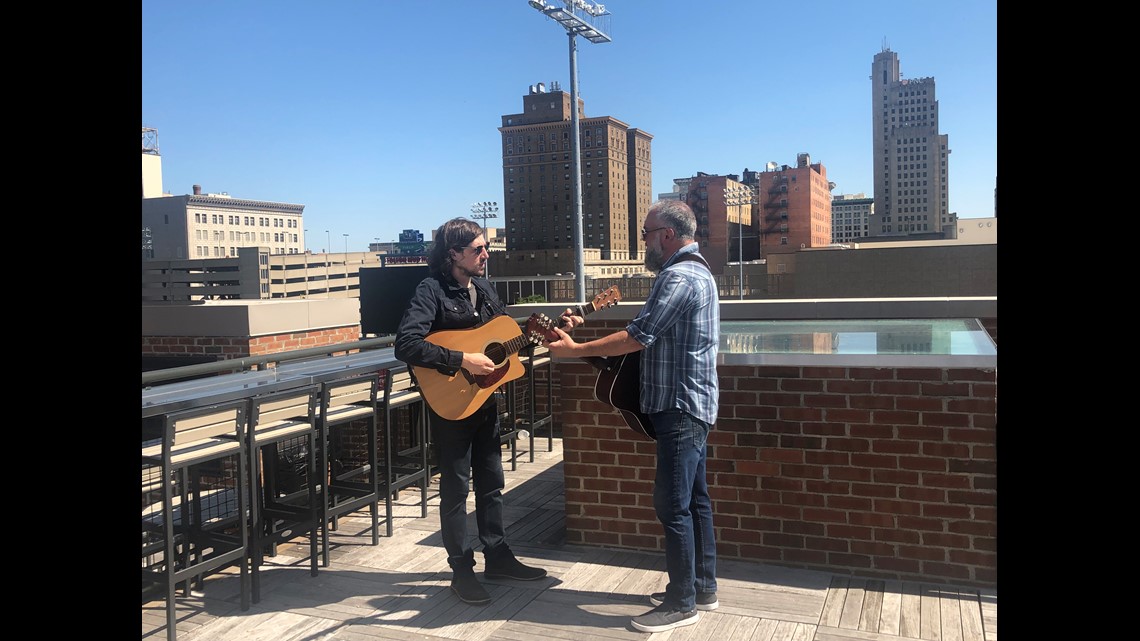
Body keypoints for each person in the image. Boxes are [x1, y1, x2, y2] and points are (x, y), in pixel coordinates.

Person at [546, 200, 719, 633]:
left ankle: (682, 604)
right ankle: (701, 587)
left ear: (666, 234)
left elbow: (638, 336)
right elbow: (646, 338)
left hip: (679, 407)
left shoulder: (679, 276)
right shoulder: (695, 272)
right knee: (695, 500)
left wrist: (574, 351)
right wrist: (582, 345)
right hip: (688, 405)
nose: (642, 241)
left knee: (672, 504)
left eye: (645, 233)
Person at [394, 217, 548, 605]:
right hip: (451, 404)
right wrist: (462, 358)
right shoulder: (431, 290)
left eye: (485, 247)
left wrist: (535, 336)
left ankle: (497, 555)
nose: (486, 254)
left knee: (492, 482)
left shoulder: (484, 287)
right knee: (456, 489)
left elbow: (504, 340)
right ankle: (461, 569)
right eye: (478, 249)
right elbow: (406, 344)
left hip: (485, 402)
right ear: (454, 255)